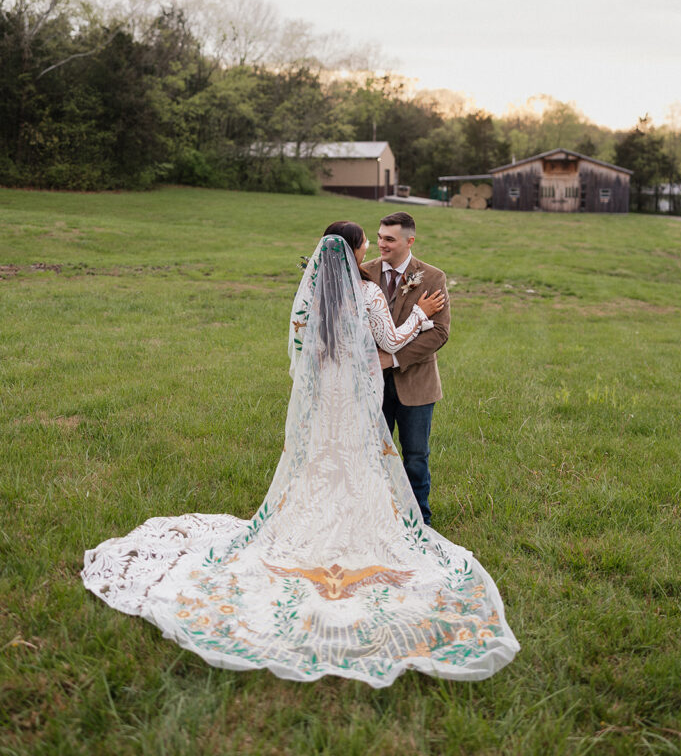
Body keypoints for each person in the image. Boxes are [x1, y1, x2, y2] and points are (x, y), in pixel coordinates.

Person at [82, 225, 518, 686]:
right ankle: (366, 527)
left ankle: (308, 521)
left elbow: (299, 350)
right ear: (355, 251)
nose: (373, 246)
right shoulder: (367, 295)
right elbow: (389, 342)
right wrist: (423, 315)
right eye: (366, 243)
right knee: (357, 458)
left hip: (321, 392)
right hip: (352, 394)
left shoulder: (311, 296)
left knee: (320, 457)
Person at [362, 212, 448, 525]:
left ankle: (420, 521)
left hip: (417, 384)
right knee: (373, 455)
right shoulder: (363, 272)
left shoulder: (432, 277)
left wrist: (395, 359)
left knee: (415, 457)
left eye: (389, 239)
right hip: (371, 383)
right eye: (379, 237)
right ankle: (378, 517)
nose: (381, 244)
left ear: (409, 241)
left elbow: (439, 332)